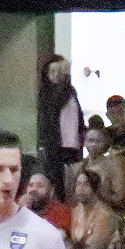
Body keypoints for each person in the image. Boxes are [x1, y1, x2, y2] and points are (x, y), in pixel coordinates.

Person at [36, 55, 83, 200]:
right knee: (59, 189)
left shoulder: (70, 91)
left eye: (60, 71)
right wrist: (66, 75)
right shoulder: (47, 92)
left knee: (73, 188)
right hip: (55, 149)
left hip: (72, 148)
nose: (57, 75)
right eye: (53, 72)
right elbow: (58, 101)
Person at [67, 170, 118, 249]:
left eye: (85, 184)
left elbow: (96, 248)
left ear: (95, 188)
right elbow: (75, 242)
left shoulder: (104, 213)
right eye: (78, 184)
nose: (80, 189)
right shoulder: (76, 211)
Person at [78, 125, 125, 213]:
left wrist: (100, 192)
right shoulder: (81, 165)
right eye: (90, 140)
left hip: (108, 213)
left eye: (98, 141)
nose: (93, 144)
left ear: (105, 143)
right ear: (84, 142)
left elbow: (121, 198)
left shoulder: (113, 165)